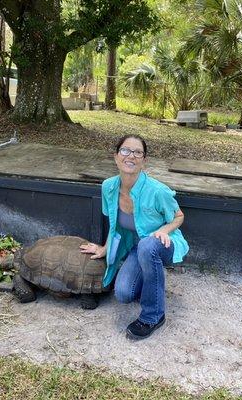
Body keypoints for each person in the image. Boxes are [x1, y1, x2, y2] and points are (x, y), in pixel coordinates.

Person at [80, 134, 189, 340]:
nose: (131, 156)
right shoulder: (109, 187)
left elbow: (179, 217)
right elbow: (114, 226)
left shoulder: (157, 191)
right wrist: (104, 249)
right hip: (137, 247)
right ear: (116, 156)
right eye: (125, 150)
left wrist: (163, 231)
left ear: (144, 160)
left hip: (164, 244)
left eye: (138, 152)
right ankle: (151, 284)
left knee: (148, 246)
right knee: (123, 293)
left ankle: (153, 316)